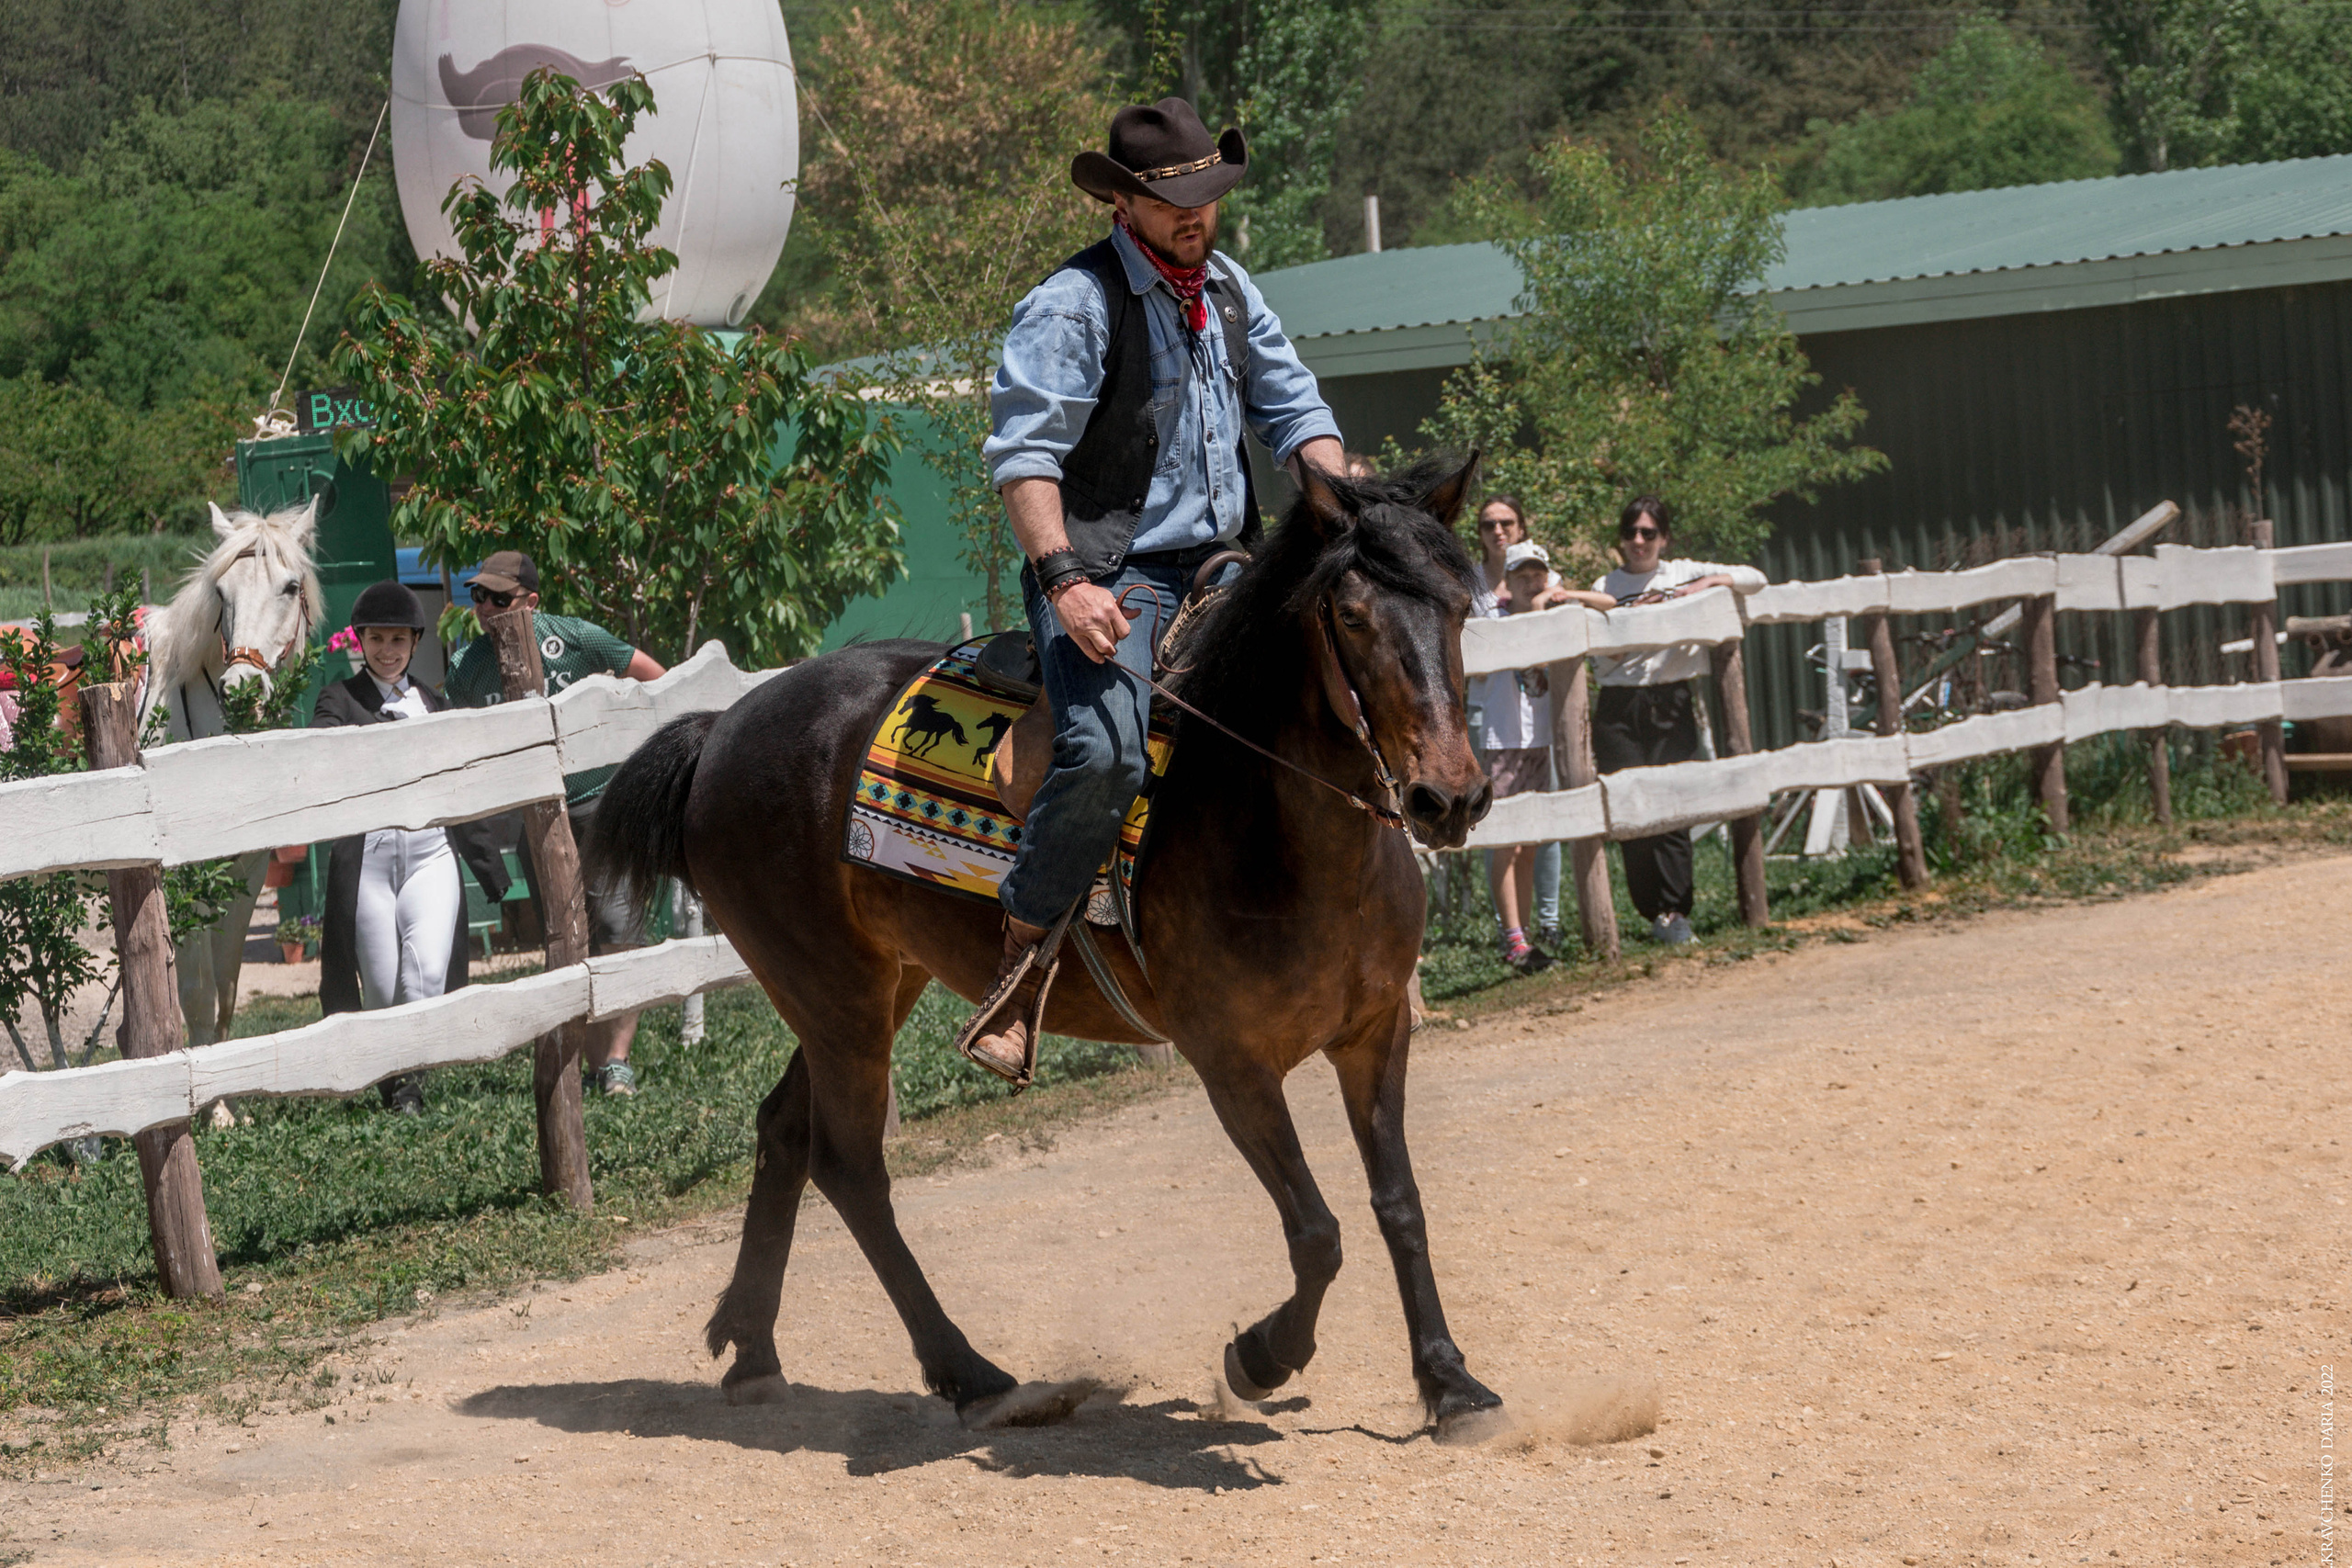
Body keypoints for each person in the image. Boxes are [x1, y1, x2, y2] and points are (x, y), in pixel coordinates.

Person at [961, 96, 1346, 1079]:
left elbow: (1292, 405)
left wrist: (1344, 506)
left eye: (1209, 198)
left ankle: (1355, 943)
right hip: (1107, 570)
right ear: (1124, 203)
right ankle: (1023, 957)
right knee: (1102, 749)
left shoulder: (1225, 285)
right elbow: (1024, 457)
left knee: (1351, 683)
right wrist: (1063, 583)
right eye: (1175, 202)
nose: (1196, 216)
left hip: (1225, 558)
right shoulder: (1073, 303)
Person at [444, 551, 667, 1095]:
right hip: (538, 817)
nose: (487, 609)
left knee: (620, 928)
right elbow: (461, 743)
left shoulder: (574, 637)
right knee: (570, 938)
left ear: (531, 602)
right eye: (478, 597)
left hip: (604, 802)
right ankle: (595, 1068)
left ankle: (617, 1059)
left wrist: (641, 750)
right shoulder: (466, 665)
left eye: (501, 598)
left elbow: (655, 677)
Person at [311, 580, 511, 1114]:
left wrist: (490, 868)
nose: (387, 650)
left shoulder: (436, 705)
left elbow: (459, 792)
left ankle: (409, 1089)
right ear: (361, 641)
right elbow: (320, 756)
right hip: (368, 862)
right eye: (376, 639)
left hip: (430, 855)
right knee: (379, 988)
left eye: (398, 639)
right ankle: (389, 1075)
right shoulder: (338, 700)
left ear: (415, 641)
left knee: (420, 974)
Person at [1589, 496, 1765, 946]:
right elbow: (1598, 653)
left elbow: (1755, 579)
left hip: (1670, 700)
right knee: (1631, 807)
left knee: (1673, 803)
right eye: (1631, 532)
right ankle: (1650, 910)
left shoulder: (1680, 572)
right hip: (1619, 705)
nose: (1639, 541)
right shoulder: (1604, 583)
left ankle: (1675, 911)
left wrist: (1709, 582)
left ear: (1664, 538)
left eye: (1649, 533)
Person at [1478, 542, 1614, 973]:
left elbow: (1609, 601)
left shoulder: (1556, 612)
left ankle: (1527, 934)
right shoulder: (1495, 618)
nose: (1530, 583)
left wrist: (1565, 594)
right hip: (1504, 740)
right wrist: (1537, 604)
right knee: (1506, 841)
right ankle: (1512, 936)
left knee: (1531, 840)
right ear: (1509, 580)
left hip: (1540, 739)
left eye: (1537, 575)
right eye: (1521, 576)